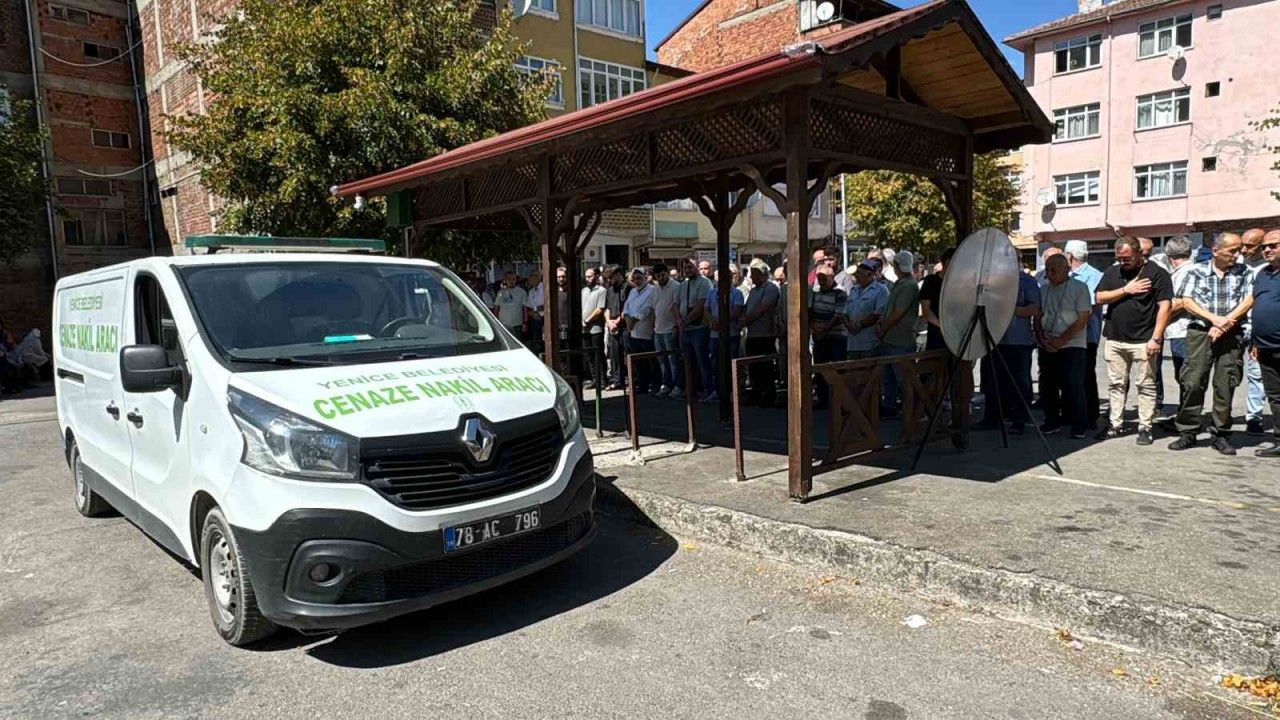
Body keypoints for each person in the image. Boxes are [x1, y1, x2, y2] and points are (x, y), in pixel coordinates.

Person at [1169, 233, 1253, 455]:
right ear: (1216, 251)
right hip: (1200, 332)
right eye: (1232, 251)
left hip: (1231, 333)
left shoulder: (1245, 272)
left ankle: (1221, 434)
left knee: (1226, 383)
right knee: (1193, 381)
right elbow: (1186, 301)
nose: (1237, 255)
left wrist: (1225, 323)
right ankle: (1188, 431)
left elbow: (1249, 299)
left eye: (1239, 250)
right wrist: (1214, 319)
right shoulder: (1195, 271)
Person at [1095, 236, 1173, 445]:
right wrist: (1125, 290)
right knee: (1116, 384)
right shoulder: (1112, 272)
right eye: (1119, 258)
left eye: (1127, 258)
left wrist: (1156, 338)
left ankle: (1145, 426)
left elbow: (1165, 307)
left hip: (1144, 340)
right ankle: (1115, 424)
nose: (1123, 262)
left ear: (1139, 253)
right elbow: (1099, 297)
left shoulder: (1157, 273)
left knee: (1145, 384)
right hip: (1115, 339)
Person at [1036, 254, 1093, 438]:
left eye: (1053, 270)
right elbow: (1038, 315)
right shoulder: (1044, 289)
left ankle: (1079, 424)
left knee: (1073, 385)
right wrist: (1041, 339)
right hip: (1047, 343)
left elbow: (1082, 318)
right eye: (1047, 270)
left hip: (1072, 344)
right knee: (1047, 385)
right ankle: (1052, 421)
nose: (1049, 274)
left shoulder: (1079, 288)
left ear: (1066, 270)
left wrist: (1061, 340)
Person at [978, 268, 1040, 434]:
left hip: (1018, 341)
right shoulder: (991, 280)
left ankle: (1019, 419)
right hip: (994, 339)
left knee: (1020, 382)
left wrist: (1008, 309)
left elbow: (1034, 309)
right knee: (993, 380)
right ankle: (992, 418)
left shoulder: (1027, 281)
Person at [1155, 237, 1196, 428]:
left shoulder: (1184, 272)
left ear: (1169, 256)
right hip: (1180, 331)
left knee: (1185, 376)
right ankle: (1183, 416)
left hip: (1183, 331)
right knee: (1184, 376)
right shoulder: (1187, 270)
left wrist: (1158, 316)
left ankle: (1185, 419)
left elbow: (1179, 302)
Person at [1064, 240, 1104, 429]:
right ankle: (1071, 413)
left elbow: (1087, 306)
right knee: (1070, 376)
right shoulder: (1068, 275)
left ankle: (1090, 415)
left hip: (1086, 336)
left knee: (1086, 375)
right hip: (1068, 335)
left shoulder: (1093, 276)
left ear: (1069, 256)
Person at [875, 250, 919, 416]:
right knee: (888, 377)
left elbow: (898, 313)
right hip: (890, 337)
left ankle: (912, 408)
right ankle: (890, 405)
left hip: (900, 338)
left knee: (903, 377)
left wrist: (883, 328)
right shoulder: (899, 284)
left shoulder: (909, 285)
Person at [1250, 230, 1280, 457]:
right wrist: (1255, 343)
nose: (1267, 250)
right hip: (1265, 347)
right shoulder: (1262, 273)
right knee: (1275, 396)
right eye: (1264, 247)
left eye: (1273, 245)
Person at [1241, 228, 1270, 435]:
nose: (1244, 250)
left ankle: (1254, 417)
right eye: (1242, 245)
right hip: (1235, 324)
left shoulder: (1268, 269)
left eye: (1249, 246)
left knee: (1257, 373)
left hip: (1258, 327)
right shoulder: (1238, 265)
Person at [741, 260, 780, 407]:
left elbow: (762, 308)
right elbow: (747, 307)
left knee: (766, 367)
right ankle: (756, 394)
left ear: (763, 274)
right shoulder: (753, 291)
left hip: (765, 334)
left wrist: (746, 320)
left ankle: (769, 396)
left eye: (755, 274)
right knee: (753, 367)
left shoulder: (771, 288)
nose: (752, 277)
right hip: (752, 334)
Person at [809, 264, 848, 408]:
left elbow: (838, 315)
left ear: (832, 277)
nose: (821, 281)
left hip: (835, 336)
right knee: (820, 369)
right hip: (819, 336)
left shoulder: (840, 292)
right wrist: (814, 327)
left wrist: (824, 329)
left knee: (837, 369)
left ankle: (839, 400)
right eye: (819, 278)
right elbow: (810, 311)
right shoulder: (816, 291)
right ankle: (823, 399)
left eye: (824, 279)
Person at [676, 257, 714, 402]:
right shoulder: (683, 285)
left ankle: (708, 390)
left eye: (690, 267)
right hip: (685, 329)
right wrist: (679, 321)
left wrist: (685, 321)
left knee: (702, 361)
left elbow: (701, 305)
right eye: (685, 268)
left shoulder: (704, 283)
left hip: (699, 328)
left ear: (697, 267)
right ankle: (692, 389)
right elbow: (676, 304)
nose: (688, 270)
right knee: (688, 361)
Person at [706, 268, 744, 403]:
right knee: (715, 363)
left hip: (731, 334)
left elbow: (737, 311)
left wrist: (722, 322)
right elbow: (706, 309)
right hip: (714, 335)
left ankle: (732, 392)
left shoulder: (737, 293)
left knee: (731, 363)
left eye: (728, 278)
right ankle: (717, 391)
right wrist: (712, 320)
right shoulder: (712, 293)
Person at [650, 263, 684, 399]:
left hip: (671, 329)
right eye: (658, 276)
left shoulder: (676, 286)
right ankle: (667, 385)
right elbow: (654, 309)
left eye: (663, 275)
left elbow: (677, 307)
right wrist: (653, 327)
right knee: (662, 360)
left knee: (673, 360)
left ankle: (678, 386)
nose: (661, 278)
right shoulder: (655, 289)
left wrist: (676, 326)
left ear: (668, 273)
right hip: (658, 329)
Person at [622, 267, 657, 395]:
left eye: (639, 278)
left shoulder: (652, 290)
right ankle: (642, 386)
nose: (637, 281)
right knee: (639, 363)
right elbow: (626, 307)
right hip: (633, 332)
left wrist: (634, 320)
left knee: (651, 362)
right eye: (635, 279)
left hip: (646, 332)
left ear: (646, 278)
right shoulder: (632, 291)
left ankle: (654, 385)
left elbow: (647, 308)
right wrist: (627, 318)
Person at [844, 259, 888, 360]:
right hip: (852, 345)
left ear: (869, 274)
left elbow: (878, 314)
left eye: (859, 273)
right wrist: (849, 326)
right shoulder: (853, 290)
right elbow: (845, 312)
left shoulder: (881, 290)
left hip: (870, 344)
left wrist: (859, 325)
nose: (856, 276)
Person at [918, 248, 955, 352]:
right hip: (936, 337)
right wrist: (942, 327)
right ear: (948, 262)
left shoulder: (959, 283)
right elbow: (926, 311)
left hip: (957, 338)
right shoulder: (931, 281)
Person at [581, 267, 607, 387]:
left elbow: (600, 309)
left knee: (598, 355)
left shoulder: (601, 290)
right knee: (589, 355)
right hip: (584, 328)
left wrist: (587, 320)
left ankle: (602, 380)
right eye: (586, 276)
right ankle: (595, 379)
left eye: (590, 276)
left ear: (596, 276)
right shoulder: (583, 291)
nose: (588, 279)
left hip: (595, 328)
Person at [603, 264, 628, 390]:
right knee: (615, 355)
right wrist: (609, 322)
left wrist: (617, 321)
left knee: (627, 355)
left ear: (618, 275)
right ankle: (618, 381)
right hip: (612, 326)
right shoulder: (610, 289)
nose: (609, 281)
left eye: (611, 278)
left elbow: (628, 308)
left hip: (625, 326)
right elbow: (607, 308)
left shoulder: (628, 288)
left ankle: (631, 380)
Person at [494, 271, 528, 338]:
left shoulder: (522, 292)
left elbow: (525, 309)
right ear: (505, 280)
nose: (511, 281)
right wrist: (495, 322)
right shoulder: (500, 293)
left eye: (513, 279)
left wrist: (525, 323)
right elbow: (496, 309)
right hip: (503, 325)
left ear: (516, 280)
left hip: (517, 325)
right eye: (509, 279)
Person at [525, 269, 545, 355]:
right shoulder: (531, 291)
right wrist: (533, 313)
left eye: (531, 276)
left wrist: (537, 310)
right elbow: (529, 307)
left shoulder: (545, 288)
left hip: (544, 319)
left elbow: (547, 305)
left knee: (544, 342)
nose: (529, 279)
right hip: (534, 320)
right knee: (536, 342)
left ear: (538, 277)